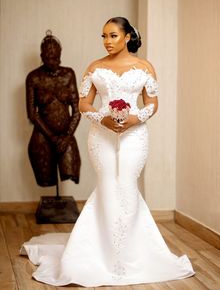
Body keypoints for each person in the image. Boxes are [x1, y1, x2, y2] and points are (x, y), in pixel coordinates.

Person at [21, 17, 194, 286]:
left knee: (126, 185)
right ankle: (98, 254)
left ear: (127, 37)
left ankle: (131, 254)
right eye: (103, 36)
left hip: (135, 136)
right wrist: (103, 118)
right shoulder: (95, 67)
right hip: (101, 136)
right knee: (106, 185)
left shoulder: (144, 66)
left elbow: (152, 103)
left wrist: (136, 119)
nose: (107, 41)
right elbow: (83, 104)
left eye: (113, 35)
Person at [26, 31, 80, 188]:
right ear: (42, 57)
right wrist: (52, 137)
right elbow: (32, 114)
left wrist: (67, 136)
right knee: (46, 179)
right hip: (42, 136)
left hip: (65, 134)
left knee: (70, 168)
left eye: (56, 58)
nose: (54, 62)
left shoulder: (68, 74)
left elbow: (77, 110)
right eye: (49, 58)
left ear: (60, 54)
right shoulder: (34, 78)